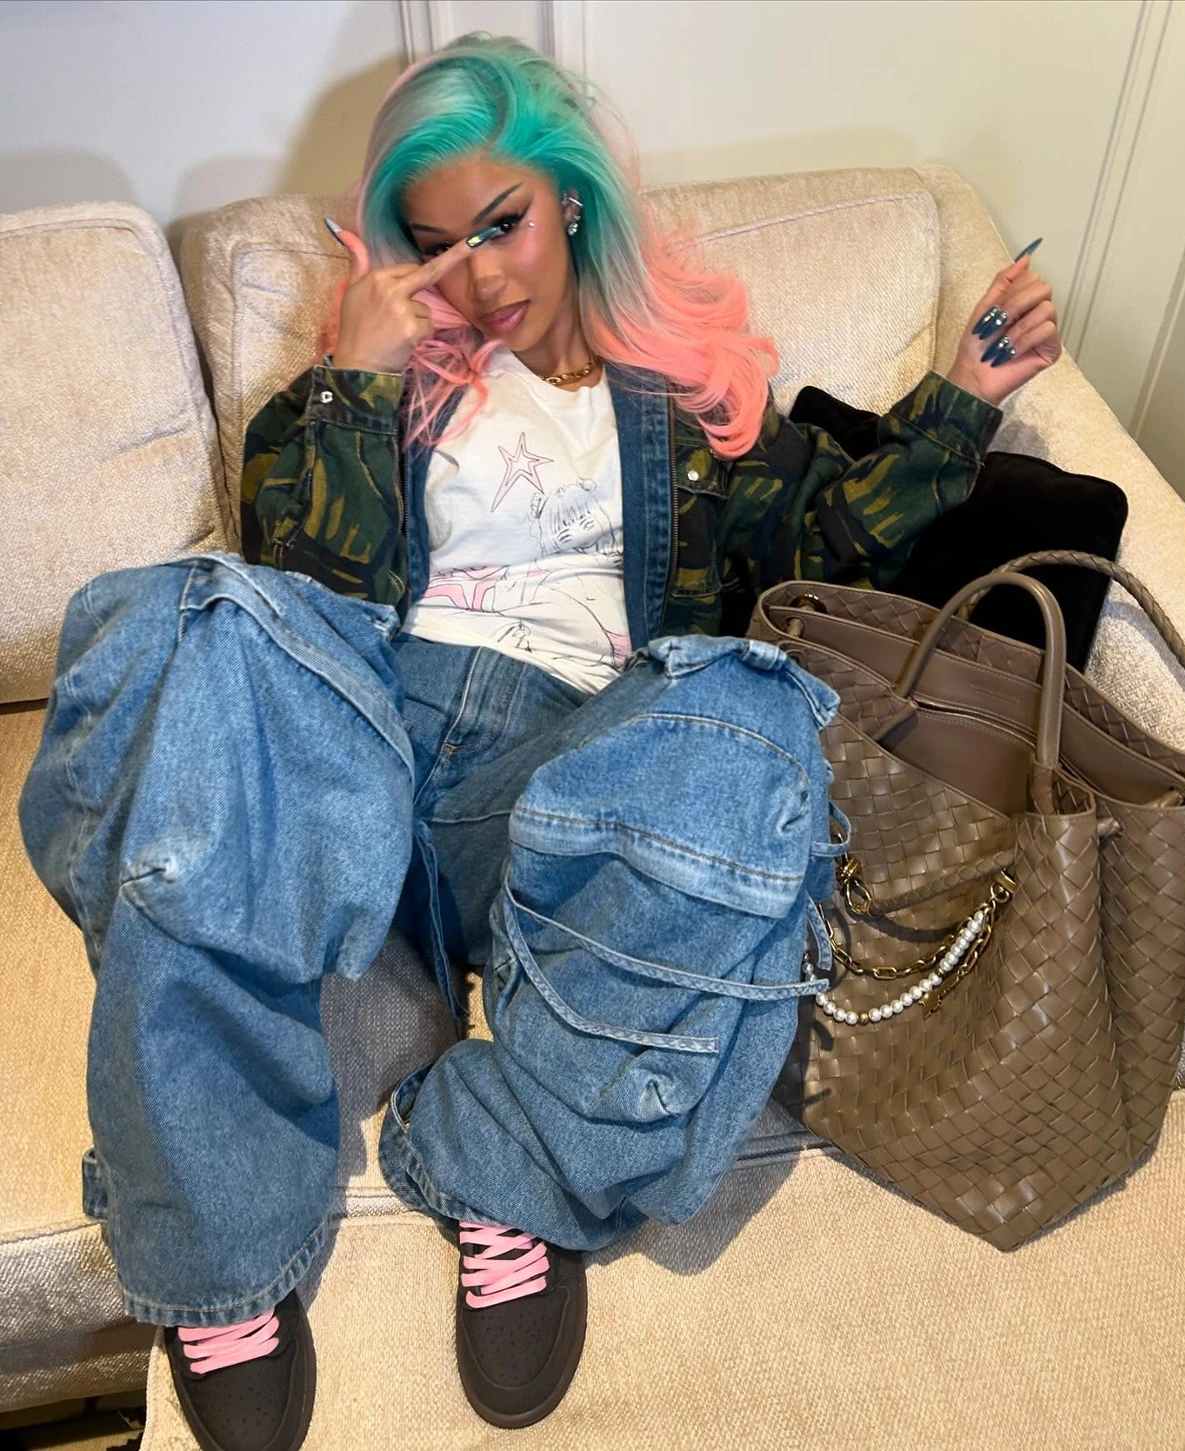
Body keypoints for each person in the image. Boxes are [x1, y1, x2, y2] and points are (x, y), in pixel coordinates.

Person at [20, 32, 1061, 1451]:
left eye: (500, 224)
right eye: (433, 244)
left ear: (570, 198)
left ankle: (506, 1159)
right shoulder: (364, 392)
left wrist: (962, 403)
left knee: (754, 710)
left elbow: (824, 544)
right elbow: (303, 610)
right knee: (191, 624)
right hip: (352, 766)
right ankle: (217, 1261)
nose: (475, 275)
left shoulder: (683, 408)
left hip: (553, 788)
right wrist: (358, 379)